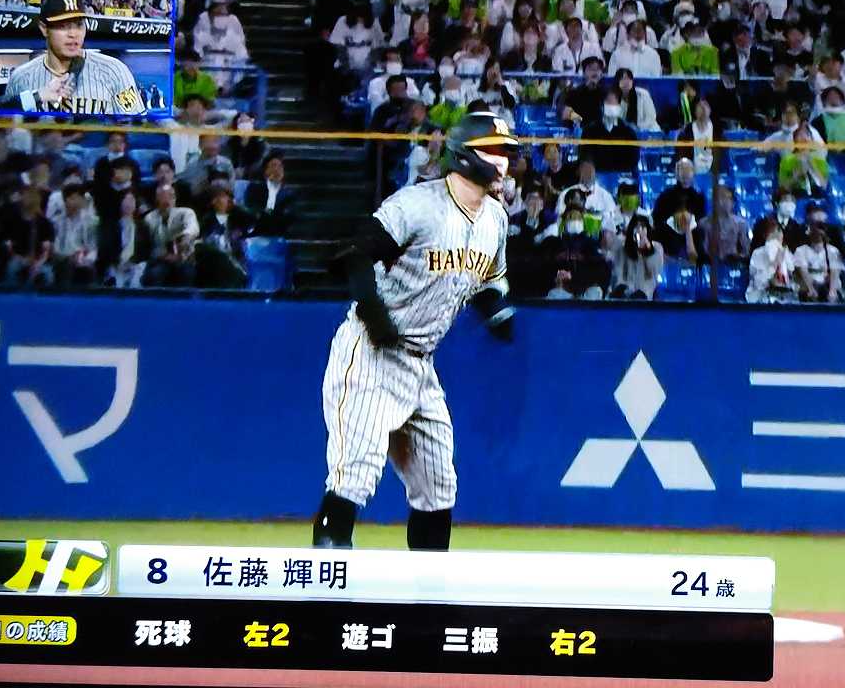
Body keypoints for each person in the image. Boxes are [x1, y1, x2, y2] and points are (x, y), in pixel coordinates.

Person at [312, 111, 519, 551]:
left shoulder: (495, 220)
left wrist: (496, 309)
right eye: (494, 151)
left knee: (438, 486)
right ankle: (323, 582)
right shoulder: (418, 205)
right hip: (369, 354)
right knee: (354, 473)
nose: (504, 160)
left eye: (506, 152)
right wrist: (374, 315)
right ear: (466, 156)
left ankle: (428, 587)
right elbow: (355, 255)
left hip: (421, 365)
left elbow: (488, 280)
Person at [0, 0, 145, 115]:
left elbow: (137, 129)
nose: (73, 34)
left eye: (79, 25)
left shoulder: (115, 71)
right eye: (63, 26)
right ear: (44, 29)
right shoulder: (20, 78)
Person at [542, 200, 609, 299]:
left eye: (578, 218)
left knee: (595, 292)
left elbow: (601, 270)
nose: (574, 220)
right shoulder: (553, 243)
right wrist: (556, 275)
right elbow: (543, 266)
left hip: (584, 290)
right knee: (555, 293)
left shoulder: (590, 244)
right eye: (570, 217)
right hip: (559, 288)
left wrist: (573, 276)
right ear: (564, 222)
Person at [143, 182, 199, 287]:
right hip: (161, 259)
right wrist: (164, 256)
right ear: (157, 199)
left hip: (183, 258)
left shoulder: (186, 212)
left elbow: (192, 227)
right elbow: (148, 245)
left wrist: (186, 238)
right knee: (155, 273)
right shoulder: (149, 218)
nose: (167, 200)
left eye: (171, 196)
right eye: (163, 196)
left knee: (187, 272)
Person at [580, 88, 639, 174]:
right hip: (596, 176)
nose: (612, 107)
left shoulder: (629, 132)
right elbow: (584, 157)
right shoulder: (589, 131)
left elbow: (633, 160)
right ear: (602, 106)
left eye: (615, 104)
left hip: (622, 177)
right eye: (609, 103)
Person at [102, 189, 152, 288]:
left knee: (136, 281)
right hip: (117, 265)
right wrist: (118, 262)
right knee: (116, 282)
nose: (128, 204)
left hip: (137, 265)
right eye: (125, 200)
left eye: (131, 200)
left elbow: (146, 250)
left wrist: (132, 262)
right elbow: (107, 249)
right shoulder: (111, 226)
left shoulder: (143, 226)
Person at [50, 182, 98, 286]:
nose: (77, 201)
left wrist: (85, 259)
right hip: (61, 258)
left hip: (82, 258)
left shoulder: (90, 222)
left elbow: (93, 247)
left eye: (79, 198)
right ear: (65, 200)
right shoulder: (56, 222)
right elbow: (55, 246)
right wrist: (67, 256)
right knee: (65, 264)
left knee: (88, 268)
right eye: (72, 198)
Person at [610, 214, 664, 299]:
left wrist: (647, 250)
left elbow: (655, 271)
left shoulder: (656, 248)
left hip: (645, 292)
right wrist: (625, 289)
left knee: (640, 296)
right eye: (636, 227)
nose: (639, 231)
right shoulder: (622, 249)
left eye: (643, 227)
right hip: (625, 293)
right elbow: (618, 273)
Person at [245, 151, 295, 236]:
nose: (277, 170)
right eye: (273, 166)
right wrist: (272, 193)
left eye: (280, 166)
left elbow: (289, 218)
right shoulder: (254, 189)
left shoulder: (289, 194)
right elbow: (256, 213)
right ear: (265, 171)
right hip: (258, 234)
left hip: (279, 234)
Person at [746, 219, 797, 303]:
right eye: (773, 233)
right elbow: (759, 283)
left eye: (779, 231)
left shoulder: (786, 253)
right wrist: (775, 263)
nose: (778, 235)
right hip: (761, 298)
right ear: (765, 235)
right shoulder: (758, 253)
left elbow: (791, 277)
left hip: (785, 298)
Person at [700, 185, 750, 265]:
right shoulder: (704, 223)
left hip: (734, 264)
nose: (723, 201)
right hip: (710, 265)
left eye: (727, 198)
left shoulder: (741, 224)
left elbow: (746, 250)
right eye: (719, 198)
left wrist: (737, 258)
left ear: (733, 203)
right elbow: (703, 250)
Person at [794, 225, 842, 302]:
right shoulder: (801, 250)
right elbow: (803, 271)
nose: (818, 234)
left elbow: (835, 271)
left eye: (820, 232)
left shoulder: (833, 251)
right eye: (815, 231)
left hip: (827, 288)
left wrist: (832, 291)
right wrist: (811, 289)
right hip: (808, 289)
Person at [654, 158, 706, 225]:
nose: (685, 173)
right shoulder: (665, 197)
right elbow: (657, 220)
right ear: (676, 173)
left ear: (693, 173)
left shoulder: (699, 198)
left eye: (688, 170)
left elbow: (701, 222)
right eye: (682, 169)